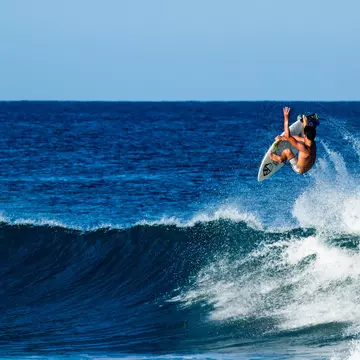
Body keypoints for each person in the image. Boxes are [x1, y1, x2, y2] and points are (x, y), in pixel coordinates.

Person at [270, 107, 316, 174]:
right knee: (297, 138)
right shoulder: (312, 142)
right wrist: (305, 121)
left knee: (287, 151)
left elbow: (288, 136)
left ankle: (281, 159)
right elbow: (302, 138)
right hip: (308, 166)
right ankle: (285, 138)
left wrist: (286, 118)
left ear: (306, 134)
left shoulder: (304, 148)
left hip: (298, 169)